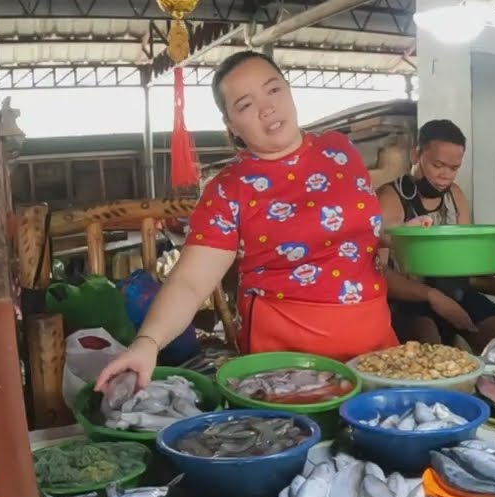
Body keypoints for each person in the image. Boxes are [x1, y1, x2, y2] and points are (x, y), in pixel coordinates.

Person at [97, 51, 420, 390]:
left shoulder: (339, 150)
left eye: (273, 90)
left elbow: (349, 232)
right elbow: (191, 282)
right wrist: (147, 342)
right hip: (288, 362)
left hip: (374, 345)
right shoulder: (229, 188)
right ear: (232, 126)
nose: (267, 108)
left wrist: (392, 237)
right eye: (245, 105)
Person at [377, 119, 495, 354]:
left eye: (454, 168)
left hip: (456, 292)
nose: (446, 175)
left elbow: (467, 255)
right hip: (408, 301)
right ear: (416, 155)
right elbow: (379, 272)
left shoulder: (455, 196)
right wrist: (432, 297)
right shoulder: (389, 199)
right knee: (430, 352)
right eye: (438, 165)